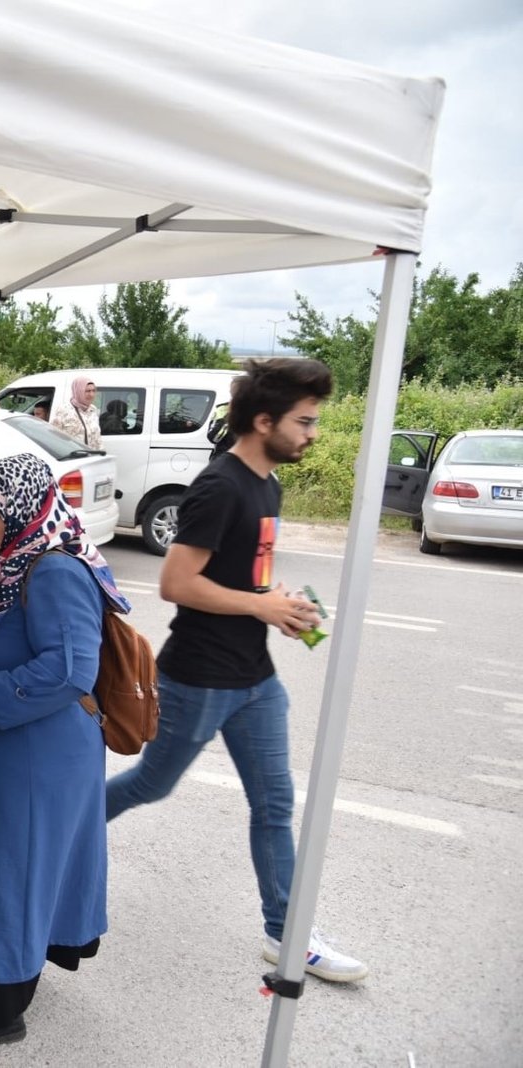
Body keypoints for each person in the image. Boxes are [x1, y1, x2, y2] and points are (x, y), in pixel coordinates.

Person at [105, 358, 369, 983]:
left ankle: (288, 934)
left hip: (255, 678)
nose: (313, 434)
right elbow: (175, 582)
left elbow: (242, 576)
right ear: (263, 420)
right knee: (150, 785)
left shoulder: (268, 483)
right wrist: (262, 604)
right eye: (304, 422)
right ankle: (55, 831)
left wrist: (283, 604)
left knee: (274, 804)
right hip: (197, 678)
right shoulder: (220, 485)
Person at [0, 453, 119, 1050]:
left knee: (11, 874)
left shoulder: (56, 569)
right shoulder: (7, 565)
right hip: (9, 753)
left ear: (24, 508)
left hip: (39, 758)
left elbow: (70, 671)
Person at [50, 376, 101, 448]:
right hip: (71, 456)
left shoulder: (93, 410)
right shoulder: (64, 410)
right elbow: (53, 436)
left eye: (93, 391)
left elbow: (97, 439)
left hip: (91, 456)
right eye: (87, 391)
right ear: (78, 391)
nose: (91, 395)